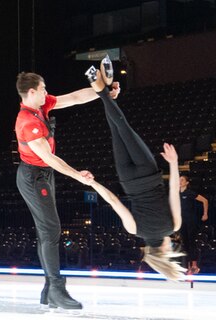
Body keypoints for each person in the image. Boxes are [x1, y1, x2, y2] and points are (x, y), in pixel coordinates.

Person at [14, 71, 119, 310]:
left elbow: (74, 98)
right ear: (31, 92)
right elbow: (49, 158)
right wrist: (77, 175)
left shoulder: (41, 106)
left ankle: (49, 289)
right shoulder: (27, 122)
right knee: (51, 229)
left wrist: (103, 93)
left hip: (43, 175)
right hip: (33, 176)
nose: (45, 92)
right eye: (42, 88)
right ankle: (56, 289)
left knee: (47, 231)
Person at [85, 57, 186, 281]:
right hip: (128, 180)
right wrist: (92, 183)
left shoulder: (173, 226)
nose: (172, 244)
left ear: (164, 250)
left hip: (149, 173)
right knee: (115, 129)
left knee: (123, 127)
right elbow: (113, 201)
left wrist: (173, 163)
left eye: (171, 250)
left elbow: (173, 192)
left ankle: (100, 89)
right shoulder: (135, 230)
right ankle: (104, 91)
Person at [179, 174, 208, 274]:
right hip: (182, 221)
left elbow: (205, 200)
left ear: (187, 183)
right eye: (179, 180)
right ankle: (187, 267)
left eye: (182, 180)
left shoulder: (190, 193)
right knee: (184, 243)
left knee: (192, 242)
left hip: (191, 220)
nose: (180, 181)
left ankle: (194, 265)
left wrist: (205, 214)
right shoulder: (177, 194)